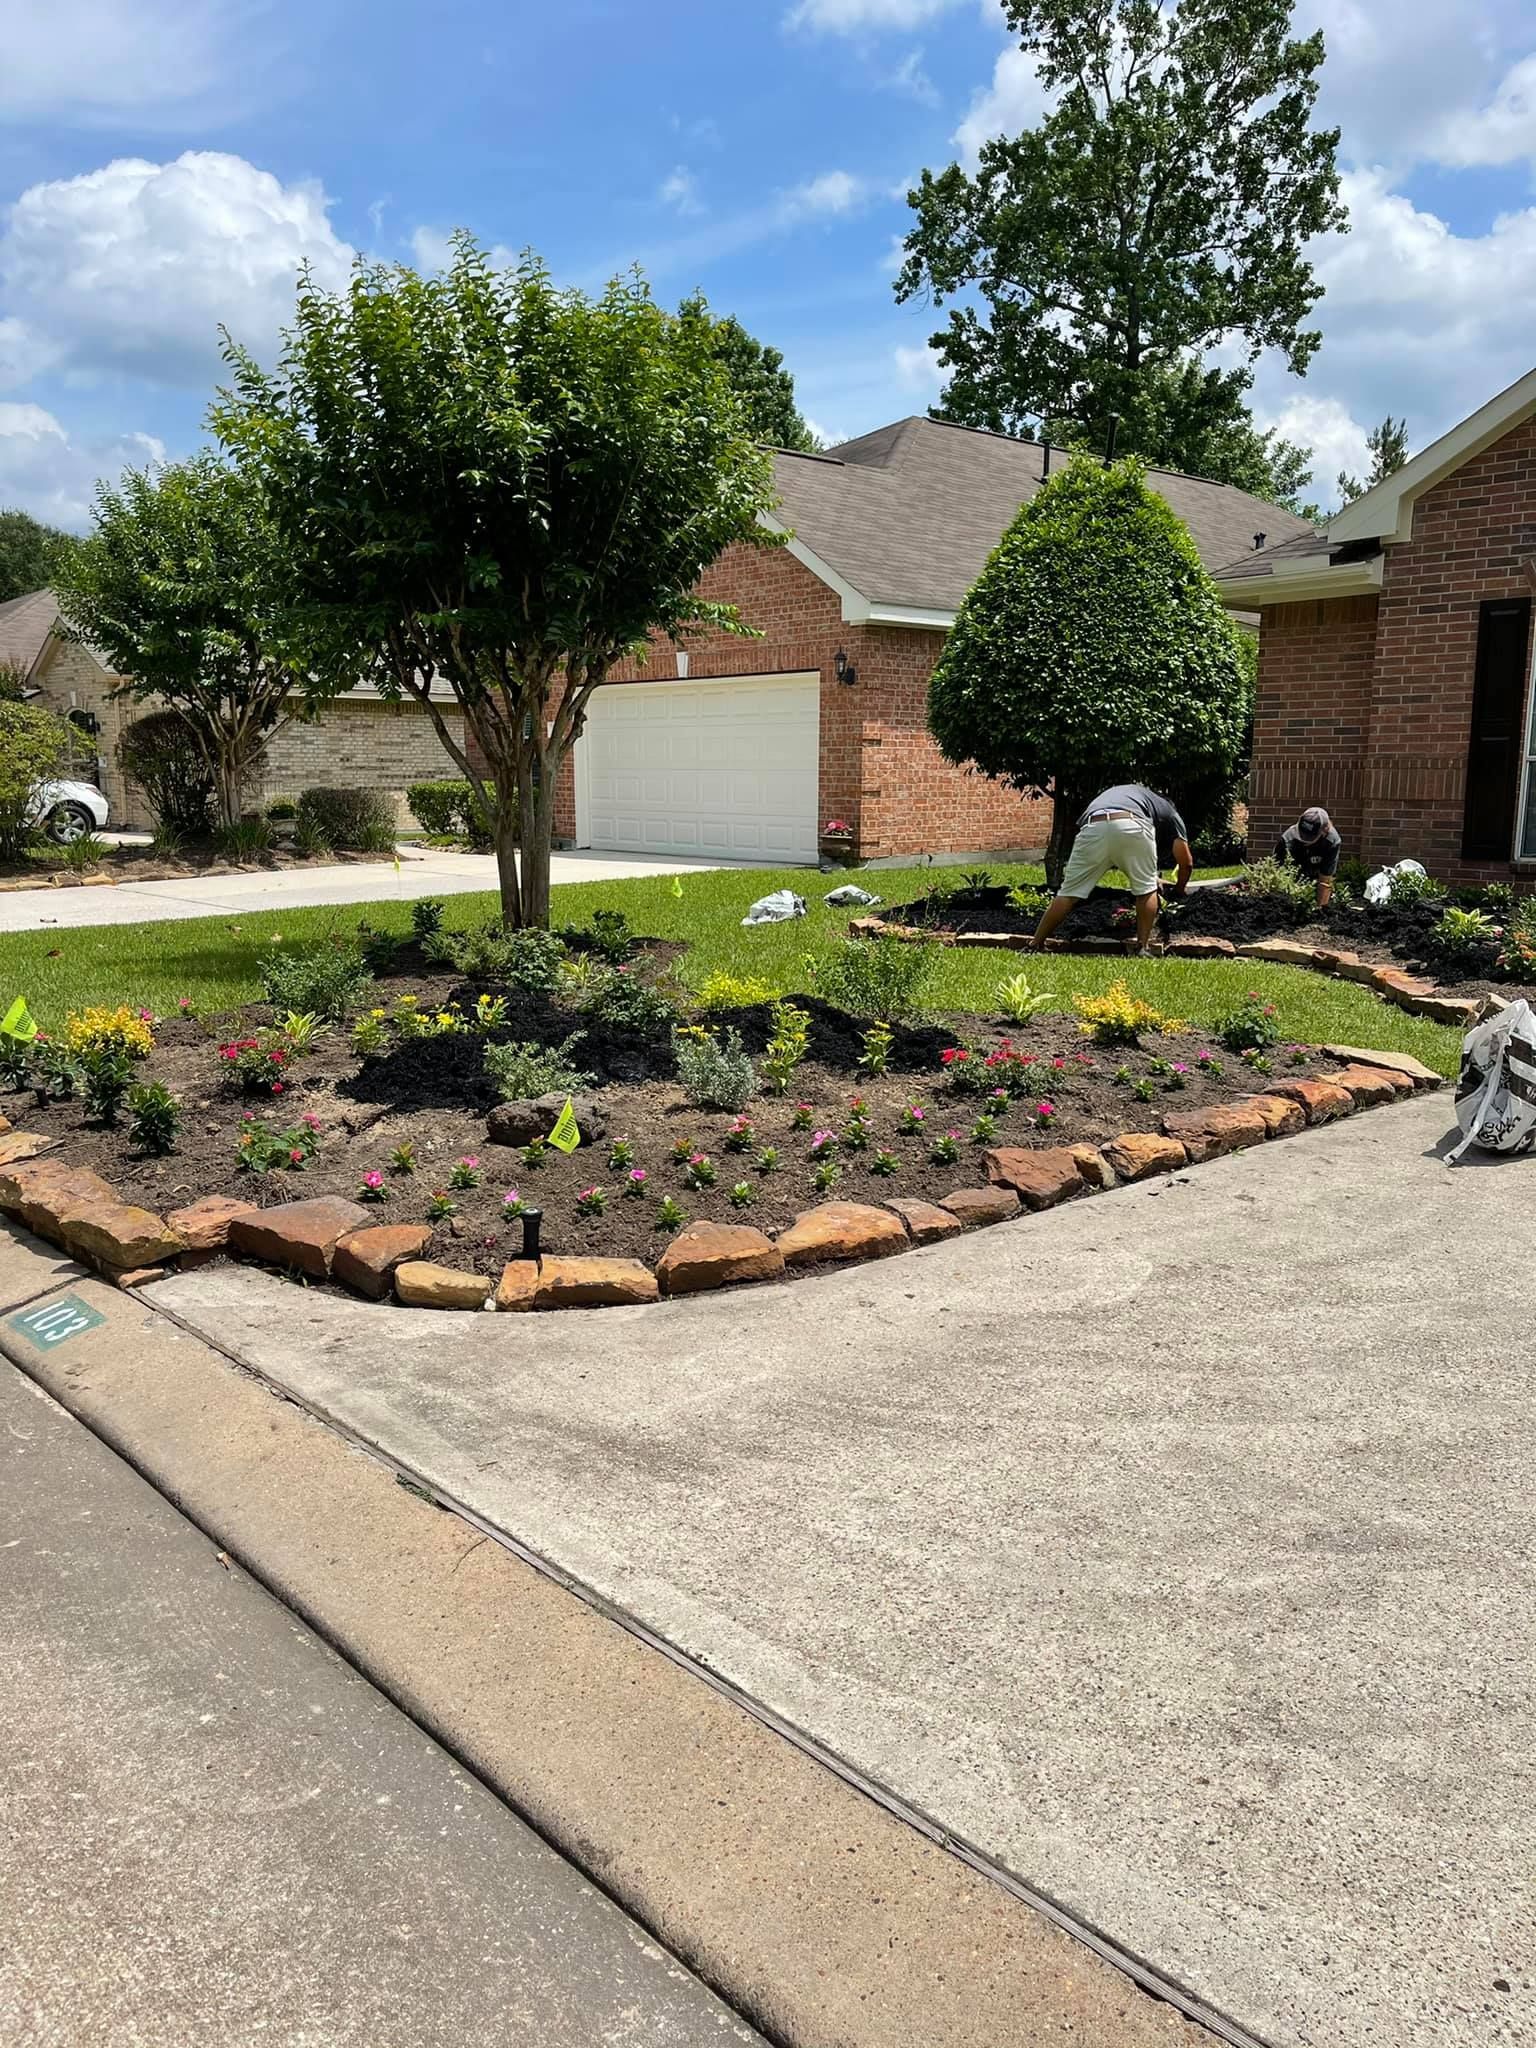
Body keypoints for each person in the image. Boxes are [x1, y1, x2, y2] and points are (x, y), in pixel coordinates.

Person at [1032, 784, 1193, 951]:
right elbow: (1186, 863)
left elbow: (1111, 841)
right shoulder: (1169, 811)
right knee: (1146, 890)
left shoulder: (1121, 795)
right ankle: (1141, 948)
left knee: (1067, 893)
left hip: (1092, 826)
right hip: (1133, 824)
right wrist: (1179, 890)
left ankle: (1035, 944)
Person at [1275, 806, 1341, 907]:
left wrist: (1320, 910)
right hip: (1293, 879)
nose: (1304, 840)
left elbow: (1325, 879)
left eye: (1309, 837)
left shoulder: (1332, 842)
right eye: (1302, 835)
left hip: (1314, 877)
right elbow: (1278, 876)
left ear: (1324, 832)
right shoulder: (1287, 840)